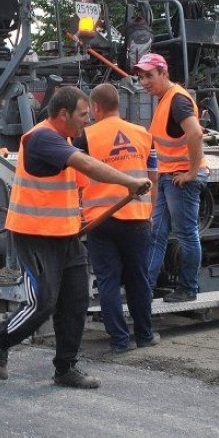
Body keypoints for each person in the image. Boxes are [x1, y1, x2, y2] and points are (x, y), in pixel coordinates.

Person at [0, 86, 151, 389]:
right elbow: (87, 165)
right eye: (83, 115)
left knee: (75, 299)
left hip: (65, 234)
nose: (88, 121)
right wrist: (129, 181)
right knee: (44, 301)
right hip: (34, 234)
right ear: (63, 114)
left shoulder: (64, 139)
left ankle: (66, 368)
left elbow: (81, 182)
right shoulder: (43, 137)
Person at [74, 84, 160, 353]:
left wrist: (78, 211)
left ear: (96, 107)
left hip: (101, 221)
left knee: (108, 281)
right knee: (138, 279)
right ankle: (145, 335)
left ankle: (120, 341)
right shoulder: (143, 134)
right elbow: (153, 177)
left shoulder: (86, 136)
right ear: (118, 104)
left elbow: (76, 177)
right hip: (137, 217)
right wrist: (151, 211)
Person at [134, 53, 206, 303]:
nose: (144, 82)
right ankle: (145, 288)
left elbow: (196, 134)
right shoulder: (166, 99)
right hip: (169, 176)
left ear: (164, 73)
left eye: (149, 76)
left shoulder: (177, 100)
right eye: (141, 77)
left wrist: (193, 173)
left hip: (179, 178)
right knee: (156, 233)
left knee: (186, 234)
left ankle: (188, 288)